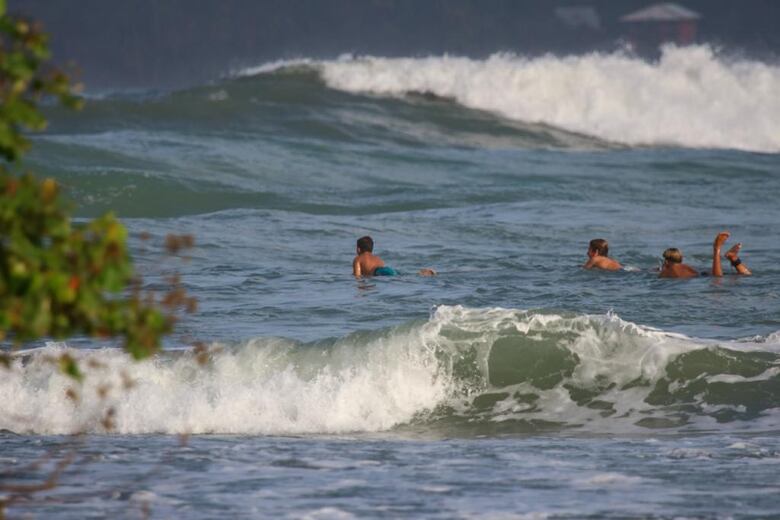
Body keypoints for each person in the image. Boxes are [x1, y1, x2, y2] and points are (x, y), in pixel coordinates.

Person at [659, 231, 751, 278]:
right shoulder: (685, 267)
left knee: (718, 278)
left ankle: (717, 249)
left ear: (666, 261)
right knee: (746, 275)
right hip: (702, 273)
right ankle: (734, 259)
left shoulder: (668, 270)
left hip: (700, 277)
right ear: (681, 259)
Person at [352, 236, 437, 277]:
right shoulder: (378, 259)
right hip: (387, 270)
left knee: (402, 278)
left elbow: (357, 276)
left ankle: (421, 274)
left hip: (379, 273)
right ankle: (421, 273)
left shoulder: (358, 259)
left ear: (358, 249)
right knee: (403, 276)